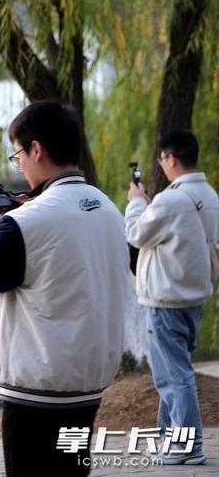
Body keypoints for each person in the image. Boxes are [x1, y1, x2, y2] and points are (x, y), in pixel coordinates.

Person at [0, 100, 129, 477]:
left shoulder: (29, 220)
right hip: (86, 385)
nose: (20, 165)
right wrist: (17, 214)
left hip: (36, 390)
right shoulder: (108, 209)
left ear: (36, 149)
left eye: (18, 154)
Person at [125, 129, 219, 466]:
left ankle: (187, 446)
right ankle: (169, 438)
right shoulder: (210, 195)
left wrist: (136, 203)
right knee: (169, 373)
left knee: (175, 374)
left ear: (171, 158)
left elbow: (135, 234)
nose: (161, 165)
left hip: (165, 301)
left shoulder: (170, 199)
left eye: (162, 158)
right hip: (193, 299)